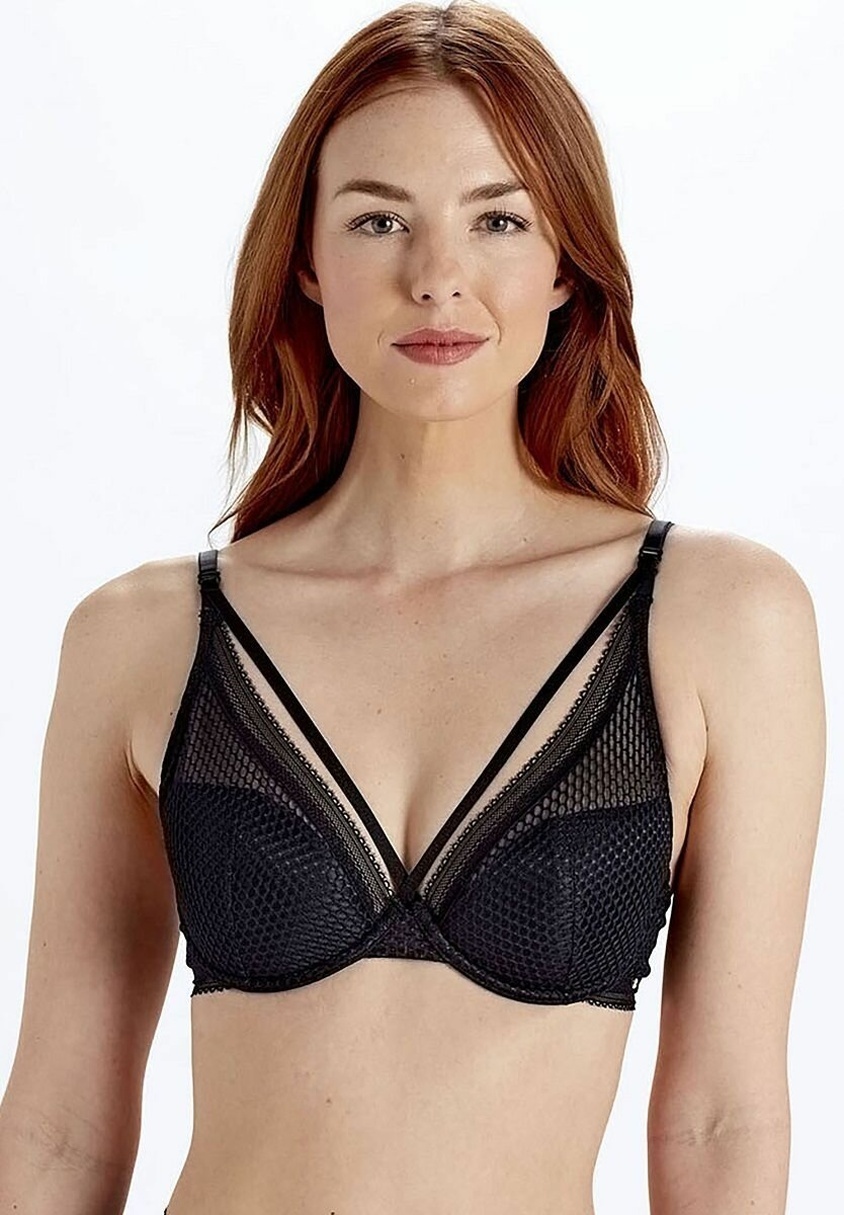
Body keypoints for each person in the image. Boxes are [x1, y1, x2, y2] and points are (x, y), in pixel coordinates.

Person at [0, 3, 825, 1213]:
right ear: (306, 260)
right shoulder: (144, 636)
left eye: (498, 219)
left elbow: (720, 1120)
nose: (436, 276)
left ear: (564, 264)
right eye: (379, 219)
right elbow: (61, 1126)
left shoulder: (714, 621)